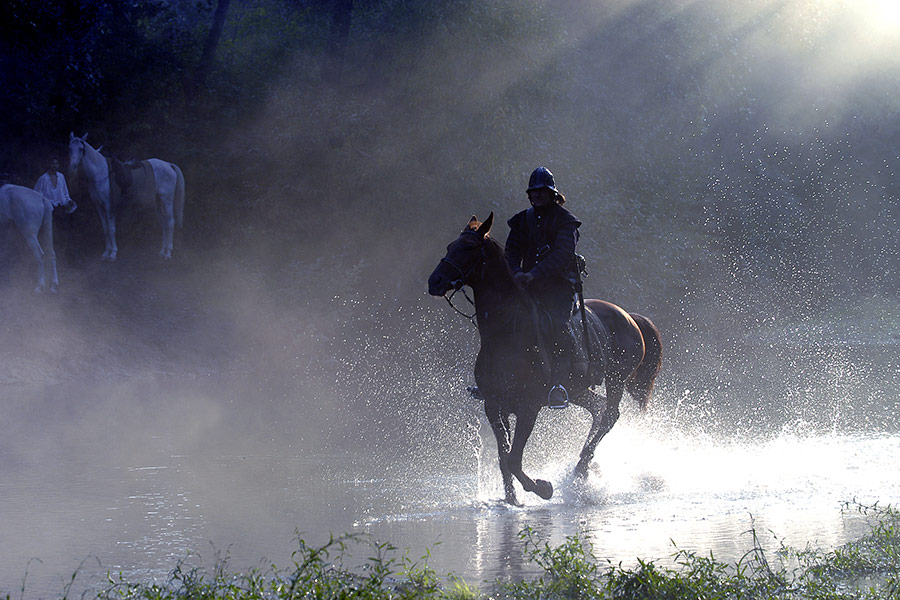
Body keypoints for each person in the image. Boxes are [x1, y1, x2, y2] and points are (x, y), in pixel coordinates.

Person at [505, 166, 582, 409]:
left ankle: (559, 385)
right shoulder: (521, 221)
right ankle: (496, 379)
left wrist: (534, 274)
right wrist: (517, 273)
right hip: (526, 287)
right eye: (533, 191)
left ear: (551, 193)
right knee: (504, 321)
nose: (536, 195)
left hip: (558, 288)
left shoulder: (566, 222)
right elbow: (511, 252)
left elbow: (562, 254)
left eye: (541, 191)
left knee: (558, 326)